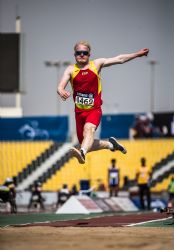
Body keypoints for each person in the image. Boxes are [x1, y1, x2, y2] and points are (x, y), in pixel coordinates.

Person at [57, 41, 149, 164]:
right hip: (79, 113)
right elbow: (60, 86)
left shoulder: (96, 64)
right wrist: (61, 90)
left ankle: (82, 153)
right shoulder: (70, 69)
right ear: (75, 55)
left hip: (94, 110)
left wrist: (137, 54)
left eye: (85, 53)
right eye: (79, 53)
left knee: (88, 130)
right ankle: (110, 145)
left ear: (89, 54)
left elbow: (119, 59)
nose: (82, 55)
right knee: (85, 142)